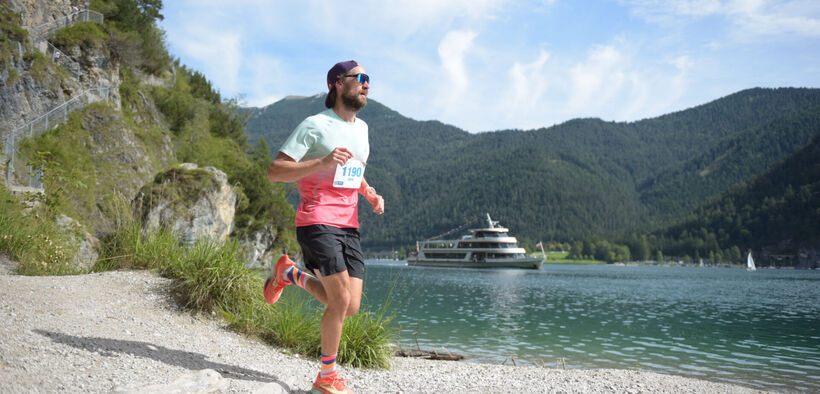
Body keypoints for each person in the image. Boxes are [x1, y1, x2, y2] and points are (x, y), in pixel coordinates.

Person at [264, 60, 383, 394]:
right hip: (316, 219)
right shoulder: (314, 125)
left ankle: (289, 275)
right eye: (359, 78)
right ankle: (326, 378)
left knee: (350, 305)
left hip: (349, 225)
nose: (366, 84)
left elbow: (353, 172)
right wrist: (322, 161)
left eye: (368, 79)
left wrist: (370, 193)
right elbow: (276, 171)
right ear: (336, 84)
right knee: (340, 300)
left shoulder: (363, 130)